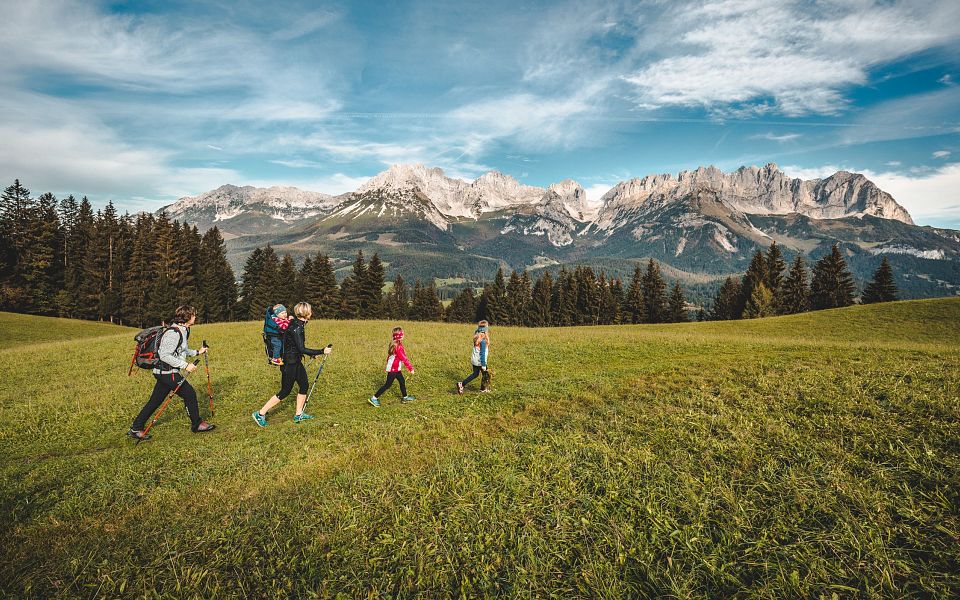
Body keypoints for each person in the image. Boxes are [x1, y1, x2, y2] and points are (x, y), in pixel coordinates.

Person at [129, 305, 214, 440]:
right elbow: (165, 355)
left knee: (155, 401)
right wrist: (185, 365)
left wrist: (198, 352)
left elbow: (181, 350)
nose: (195, 317)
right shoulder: (173, 333)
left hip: (165, 372)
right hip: (168, 372)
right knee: (190, 394)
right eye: (193, 315)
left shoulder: (183, 330)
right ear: (187, 317)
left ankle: (136, 428)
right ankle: (197, 424)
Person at [253, 302, 332, 426]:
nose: (311, 313)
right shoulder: (297, 327)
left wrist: (311, 354)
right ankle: (260, 414)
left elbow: (294, 345)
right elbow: (301, 348)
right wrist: (322, 351)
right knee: (285, 391)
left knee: (304, 385)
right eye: (310, 311)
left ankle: (298, 414)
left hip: (295, 361)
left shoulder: (296, 323)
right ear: (306, 313)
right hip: (289, 363)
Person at [368, 327, 415, 407]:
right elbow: (404, 358)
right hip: (393, 369)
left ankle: (405, 397)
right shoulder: (398, 347)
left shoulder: (395, 344)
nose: (404, 335)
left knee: (402, 381)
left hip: (396, 368)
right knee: (388, 385)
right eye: (402, 334)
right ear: (400, 336)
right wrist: (410, 368)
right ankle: (374, 398)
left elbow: (389, 356)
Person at [456, 320, 490, 394]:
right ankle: (483, 389)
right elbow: (482, 354)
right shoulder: (483, 341)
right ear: (485, 331)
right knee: (486, 375)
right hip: (480, 361)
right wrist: (483, 365)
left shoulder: (476, 338)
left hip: (474, 360)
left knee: (475, 374)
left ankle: (461, 384)